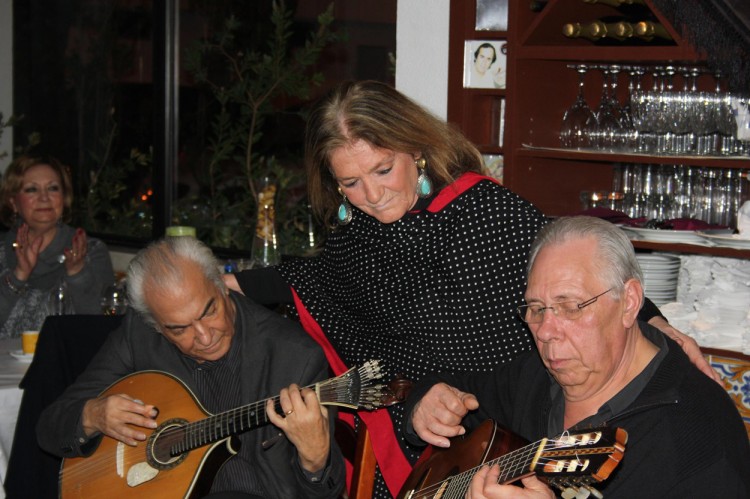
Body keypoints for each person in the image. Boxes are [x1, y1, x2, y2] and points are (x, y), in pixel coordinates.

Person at [222, 80, 716, 498]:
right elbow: (310, 278)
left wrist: (655, 322)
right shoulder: (357, 241)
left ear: (414, 149)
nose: (371, 196)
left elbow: (576, 264)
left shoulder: (483, 212)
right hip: (430, 442)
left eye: (382, 169)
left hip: (517, 429)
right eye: (349, 183)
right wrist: (227, 284)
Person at [404, 216, 750, 498]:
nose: (545, 331)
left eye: (570, 306)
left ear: (629, 303)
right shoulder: (537, 375)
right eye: (536, 308)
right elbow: (456, 392)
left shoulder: (699, 439)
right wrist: (424, 404)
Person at [37, 236, 345, 499]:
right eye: (178, 329)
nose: (204, 336)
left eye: (208, 312)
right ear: (155, 325)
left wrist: (316, 459)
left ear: (223, 287)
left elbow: (325, 492)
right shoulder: (138, 336)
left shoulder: (295, 356)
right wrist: (93, 415)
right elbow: (50, 428)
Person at [0, 154, 114, 337]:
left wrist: (78, 274)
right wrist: (18, 276)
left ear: (64, 198)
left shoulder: (90, 251)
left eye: (53, 188)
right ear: (13, 203)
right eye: (31, 190)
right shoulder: (2, 252)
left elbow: (103, 327)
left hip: (67, 363)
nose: (44, 198)